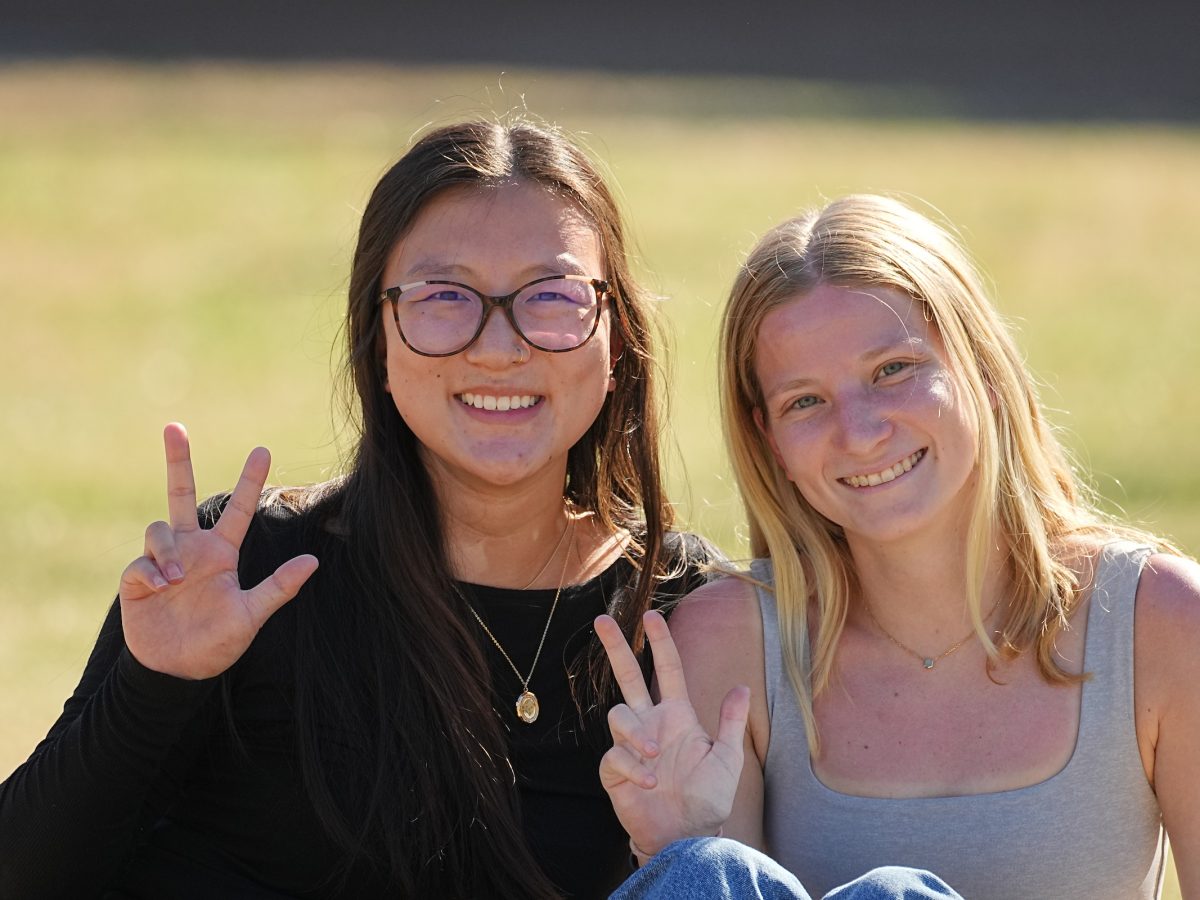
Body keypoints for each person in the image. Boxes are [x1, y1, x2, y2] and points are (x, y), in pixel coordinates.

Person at [0, 120, 717, 899]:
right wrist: (153, 684)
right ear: (378, 341)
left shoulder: (688, 613)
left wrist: (688, 843)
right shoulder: (249, 575)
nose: (499, 347)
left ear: (614, 344)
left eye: (552, 295)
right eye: (445, 297)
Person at [596, 194, 1200, 899]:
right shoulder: (730, 645)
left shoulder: (1161, 624)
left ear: (983, 370)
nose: (859, 431)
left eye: (893, 370)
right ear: (771, 442)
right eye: (805, 402)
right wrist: (672, 843)